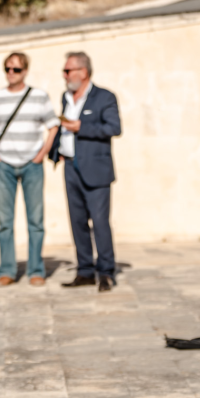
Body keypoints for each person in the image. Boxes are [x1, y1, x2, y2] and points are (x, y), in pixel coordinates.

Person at [0, 52, 59, 287]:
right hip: (4, 167)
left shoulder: (39, 96)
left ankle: (36, 270)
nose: (11, 73)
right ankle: (7, 271)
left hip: (32, 166)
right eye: (8, 68)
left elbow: (53, 126)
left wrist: (41, 155)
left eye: (17, 69)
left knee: (36, 220)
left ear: (25, 71)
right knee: (5, 221)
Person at [52, 52, 121, 292]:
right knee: (77, 221)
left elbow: (114, 127)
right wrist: (58, 150)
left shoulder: (104, 97)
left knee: (100, 222)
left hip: (97, 170)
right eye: (64, 70)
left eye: (68, 70)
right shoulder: (66, 97)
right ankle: (85, 271)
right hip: (71, 167)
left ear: (83, 72)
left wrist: (82, 126)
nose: (64, 75)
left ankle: (106, 272)